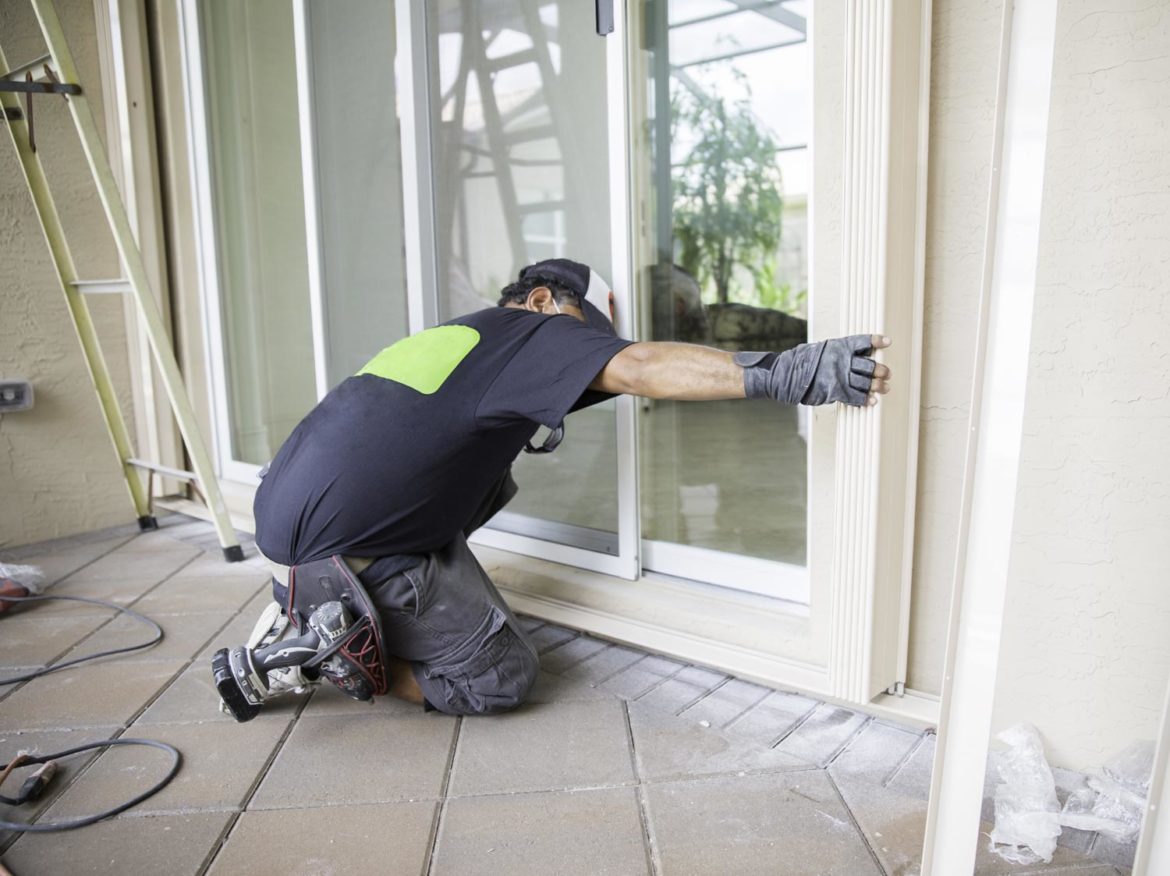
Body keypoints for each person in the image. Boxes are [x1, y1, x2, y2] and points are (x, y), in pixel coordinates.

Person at [246, 258, 891, 716]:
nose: (585, 354)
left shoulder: (459, 341)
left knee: (483, 481)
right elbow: (639, 367)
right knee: (500, 675)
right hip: (346, 555)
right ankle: (333, 652)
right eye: (583, 332)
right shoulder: (532, 332)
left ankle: (311, 615)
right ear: (540, 303)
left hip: (283, 543)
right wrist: (789, 371)